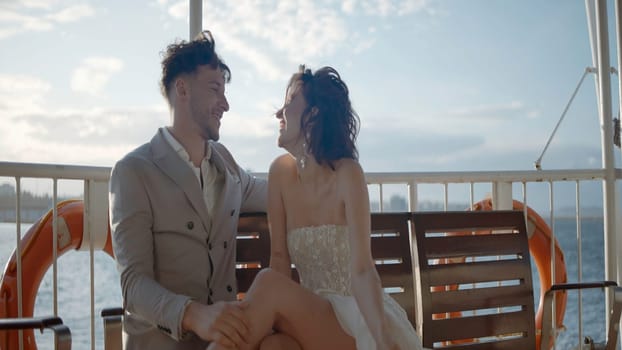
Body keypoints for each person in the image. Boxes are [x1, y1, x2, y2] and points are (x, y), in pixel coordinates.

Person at [209, 66, 426, 350]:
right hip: (313, 319)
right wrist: (266, 325)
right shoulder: (280, 174)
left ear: (312, 116)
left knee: (267, 283)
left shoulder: (348, 174)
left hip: (355, 320)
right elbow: (279, 261)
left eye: (288, 104)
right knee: (275, 347)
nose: (278, 114)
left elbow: (362, 269)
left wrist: (382, 340)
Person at [109, 31, 268, 350]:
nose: (225, 104)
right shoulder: (133, 171)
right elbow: (134, 286)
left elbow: (278, 189)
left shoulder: (228, 168)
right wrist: (197, 316)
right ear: (182, 89)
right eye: (214, 90)